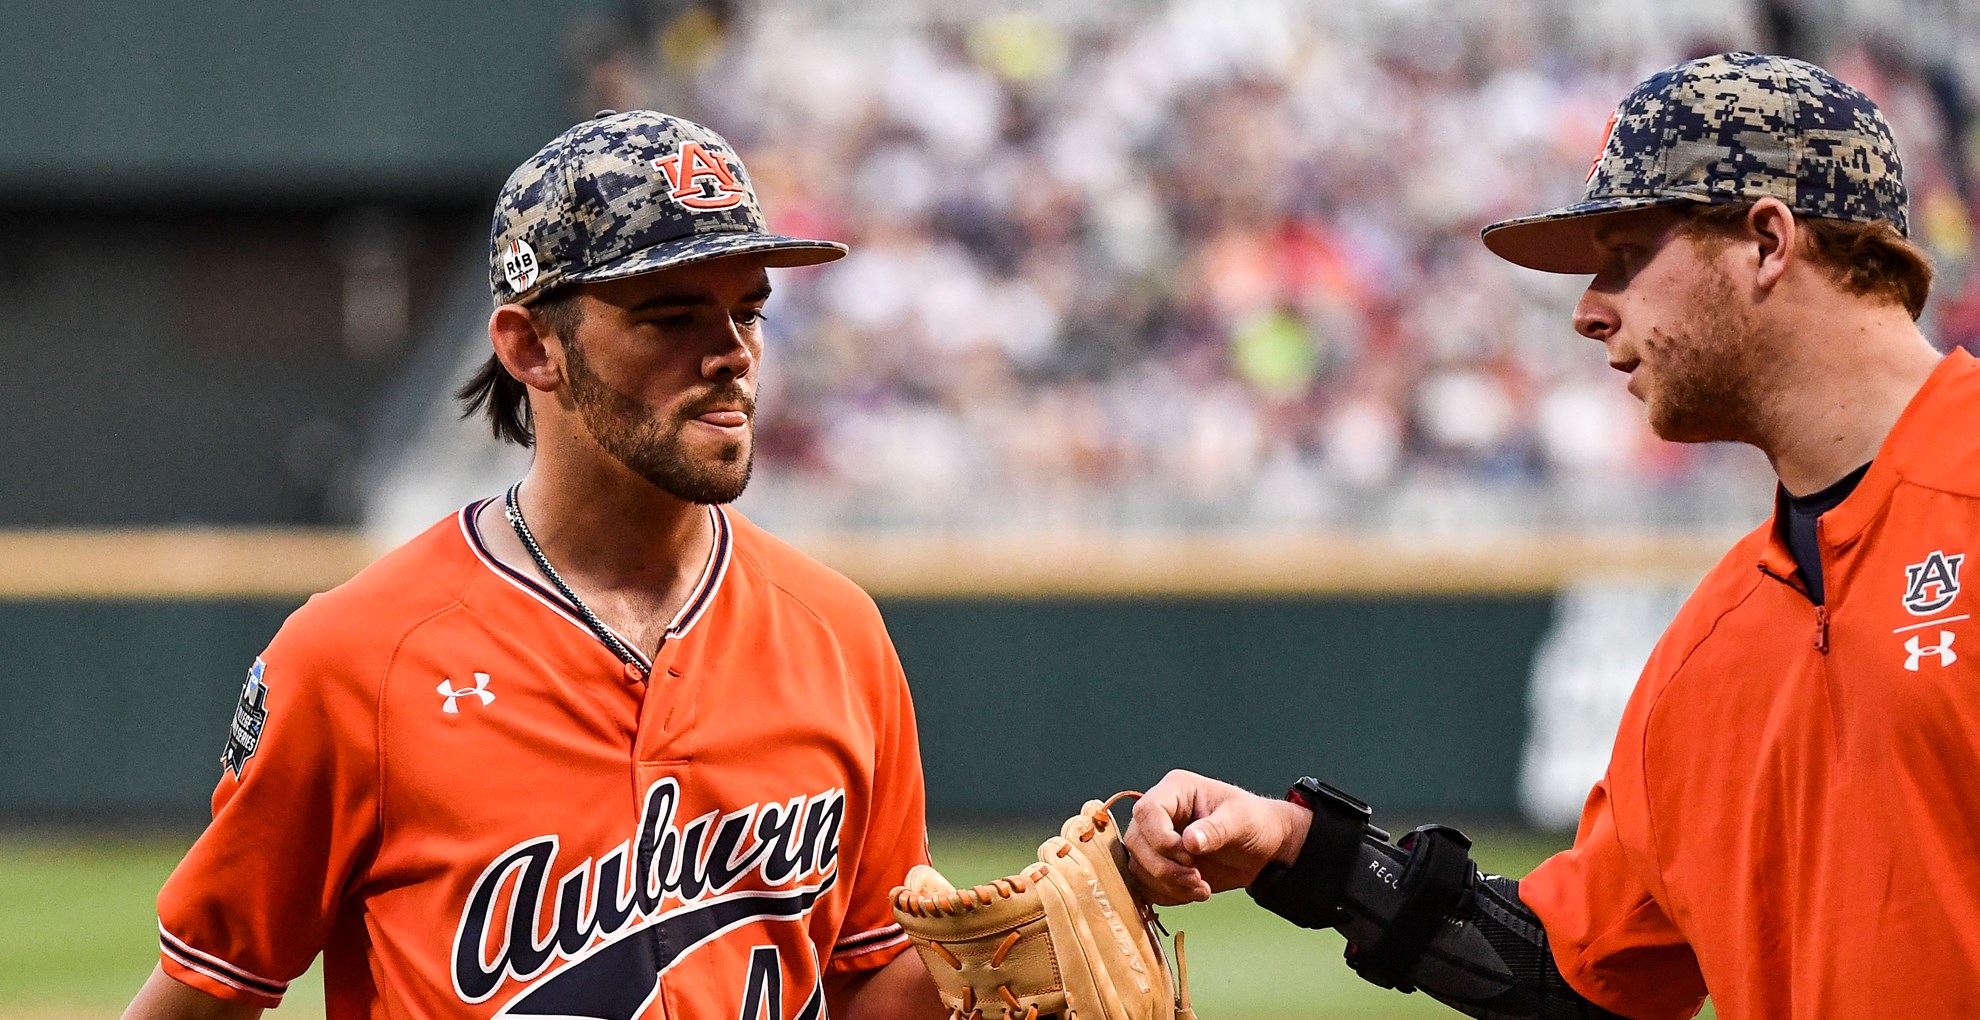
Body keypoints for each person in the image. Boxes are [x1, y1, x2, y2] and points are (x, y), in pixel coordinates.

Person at [1124, 51, 1980, 1020]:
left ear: (1767, 242)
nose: (1588, 309)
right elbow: (1570, 975)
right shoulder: (1715, 644)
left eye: (1627, 256)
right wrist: (1297, 845)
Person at [122, 111, 944, 1020]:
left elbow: (873, 979)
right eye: (671, 315)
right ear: (528, 346)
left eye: (747, 310)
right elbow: (205, 993)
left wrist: (1092, 899)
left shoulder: (838, 632)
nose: (733, 354)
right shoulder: (360, 656)